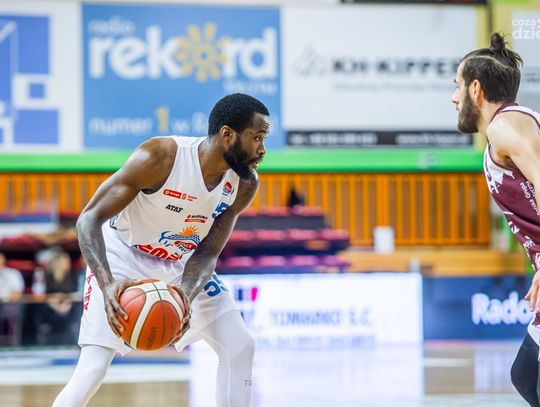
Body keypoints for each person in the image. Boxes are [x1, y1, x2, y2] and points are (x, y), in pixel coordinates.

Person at [53, 93, 269, 407]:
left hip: (180, 261)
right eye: (257, 137)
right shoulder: (160, 157)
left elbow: (208, 253)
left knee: (240, 346)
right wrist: (107, 283)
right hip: (122, 254)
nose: (262, 149)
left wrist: (185, 296)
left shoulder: (244, 183)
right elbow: (88, 219)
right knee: (93, 368)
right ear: (227, 134)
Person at [451, 33, 540, 405]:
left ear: (475, 89)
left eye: (457, 86)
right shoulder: (511, 127)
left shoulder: (505, 125)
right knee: (527, 374)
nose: (453, 97)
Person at [34, 247, 81, 345]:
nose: (68, 264)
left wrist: (66, 302)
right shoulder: (46, 275)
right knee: (43, 308)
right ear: (57, 263)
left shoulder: (72, 275)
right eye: (65, 261)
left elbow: (75, 292)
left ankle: (70, 340)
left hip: (68, 304)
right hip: (50, 305)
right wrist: (53, 302)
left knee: (75, 308)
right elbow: (41, 293)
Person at [0, 252, 25, 345]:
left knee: (14, 308)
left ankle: (14, 344)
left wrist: (4, 298)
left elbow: (17, 294)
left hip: (9, 306)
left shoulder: (13, 274)